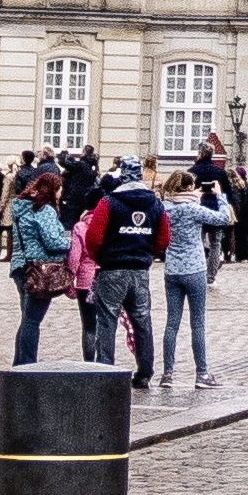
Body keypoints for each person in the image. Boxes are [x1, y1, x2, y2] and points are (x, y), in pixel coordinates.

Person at [83, 162, 168, 385]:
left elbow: (93, 237)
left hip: (112, 269)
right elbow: (164, 238)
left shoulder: (109, 202)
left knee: (107, 321)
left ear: (122, 176)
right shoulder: (155, 204)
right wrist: (148, 252)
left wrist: (99, 257)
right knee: (142, 320)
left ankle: (105, 371)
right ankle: (145, 372)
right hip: (140, 270)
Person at [156, 163, 232, 391]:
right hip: (195, 269)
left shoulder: (164, 209)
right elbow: (223, 218)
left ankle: (167, 374)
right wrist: (220, 197)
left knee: (172, 323)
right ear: (189, 187)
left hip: (172, 269)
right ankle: (202, 373)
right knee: (197, 323)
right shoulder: (192, 209)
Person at [8, 171, 77, 361]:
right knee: (32, 320)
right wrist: (71, 242)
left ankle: (19, 363)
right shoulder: (44, 210)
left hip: (20, 266)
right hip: (40, 269)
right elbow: (52, 241)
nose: (61, 193)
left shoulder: (22, 208)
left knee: (27, 319)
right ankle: (27, 364)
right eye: (59, 189)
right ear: (53, 189)